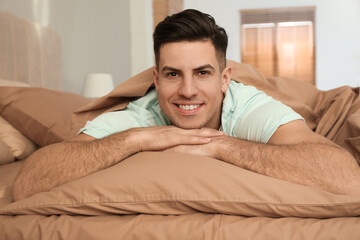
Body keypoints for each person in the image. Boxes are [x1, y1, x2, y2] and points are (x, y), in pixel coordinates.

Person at [13, 9, 360, 201]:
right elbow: (29, 182)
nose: (188, 90)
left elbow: (346, 178)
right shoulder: (141, 115)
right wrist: (136, 140)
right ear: (156, 78)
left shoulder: (247, 106)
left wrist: (221, 145)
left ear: (225, 79)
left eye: (203, 72)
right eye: (173, 74)